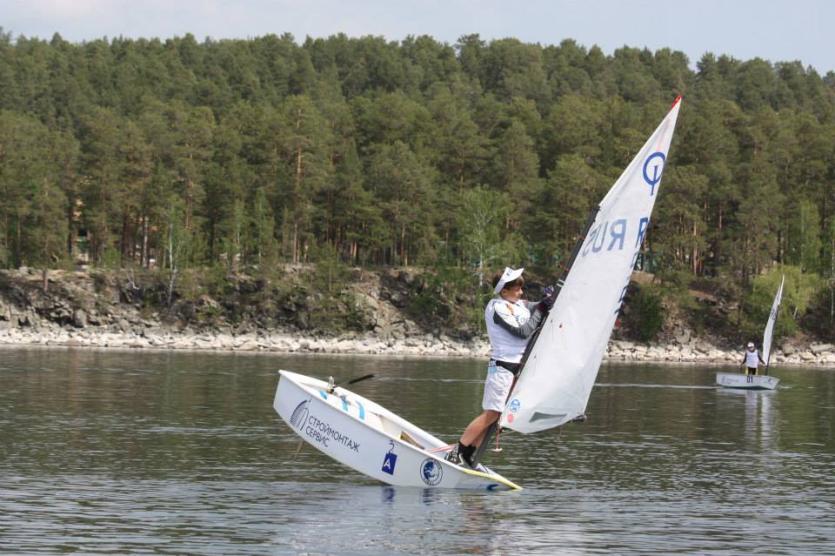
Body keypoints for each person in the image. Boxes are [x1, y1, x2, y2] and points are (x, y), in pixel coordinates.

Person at [445, 266, 555, 468]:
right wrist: (541, 309)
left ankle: (469, 453)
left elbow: (538, 306)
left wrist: (549, 297)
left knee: (499, 420)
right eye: (517, 289)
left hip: (518, 369)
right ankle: (457, 451)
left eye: (522, 288)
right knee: (492, 414)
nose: (521, 293)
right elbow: (523, 332)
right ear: (504, 291)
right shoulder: (497, 308)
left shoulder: (520, 304)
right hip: (502, 367)